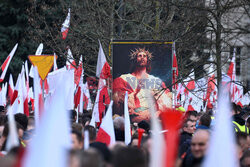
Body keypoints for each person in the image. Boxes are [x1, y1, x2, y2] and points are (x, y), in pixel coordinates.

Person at [113, 47, 172, 123]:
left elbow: (167, 99)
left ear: (148, 60)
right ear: (135, 60)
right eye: (139, 56)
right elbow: (118, 99)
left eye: (144, 56)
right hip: (135, 117)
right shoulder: (123, 79)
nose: (142, 58)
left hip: (155, 118)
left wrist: (159, 112)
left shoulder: (155, 80)